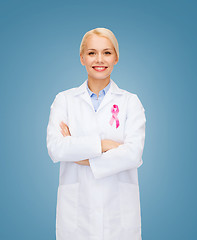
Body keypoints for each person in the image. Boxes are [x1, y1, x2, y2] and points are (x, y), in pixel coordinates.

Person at [46, 27, 146, 240]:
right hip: (76, 215)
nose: (99, 59)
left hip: (119, 216)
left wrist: (82, 156)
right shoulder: (64, 100)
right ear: (82, 58)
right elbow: (56, 149)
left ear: (116, 58)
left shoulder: (131, 102)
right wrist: (104, 144)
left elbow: (133, 155)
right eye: (92, 53)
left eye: (107, 52)